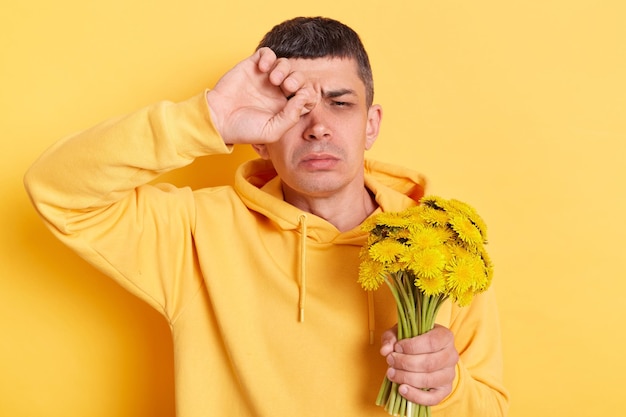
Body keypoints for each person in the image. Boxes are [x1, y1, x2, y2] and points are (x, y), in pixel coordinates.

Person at [24, 16, 508, 417]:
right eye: (294, 108)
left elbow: (492, 408)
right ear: (258, 134)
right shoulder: (195, 232)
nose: (317, 127)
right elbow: (56, 190)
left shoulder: (441, 244)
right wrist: (208, 117)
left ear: (371, 125)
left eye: (340, 104)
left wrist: (447, 390)